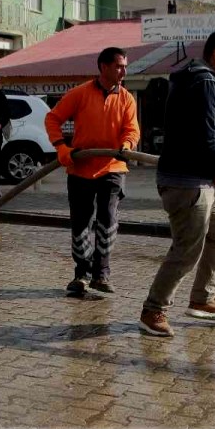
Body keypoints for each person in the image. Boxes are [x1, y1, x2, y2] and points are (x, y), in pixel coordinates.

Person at [140, 29, 215, 338]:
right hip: (189, 183)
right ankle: (153, 310)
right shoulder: (206, 82)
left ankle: (203, 298)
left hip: (202, 179)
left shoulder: (193, 78)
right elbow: (208, 133)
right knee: (187, 250)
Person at [45, 47, 141, 297]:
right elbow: (53, 119)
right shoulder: (80, 93)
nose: (124, 71)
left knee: (107, 219)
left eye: (125, 66)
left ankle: (101, 274)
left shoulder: (127, 98)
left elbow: (132, 130)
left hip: (113, 166)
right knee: (81, 222)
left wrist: (126, 146)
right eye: (119, 66)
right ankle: (82, 274)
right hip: (80, 166)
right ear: (104, 67)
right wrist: (61, 147)